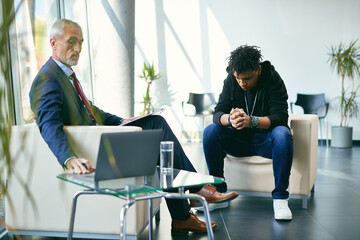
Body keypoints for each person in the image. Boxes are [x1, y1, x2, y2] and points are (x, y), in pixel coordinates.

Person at [29, 19, 238, 235]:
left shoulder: (65, 76)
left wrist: (125, 122)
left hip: (104, 140)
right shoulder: (47, 79)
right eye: (72, 41)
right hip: (98, 152)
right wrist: (68, 158)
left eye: (81, 42)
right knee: (157, 126)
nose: (79, 48)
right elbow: (47, 123)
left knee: (155, 131)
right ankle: (194, 192)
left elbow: (93, 112)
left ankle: (182, 217)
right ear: (53, 43)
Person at [203, 45, 293, 220]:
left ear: (258, 70)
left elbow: (281, 117)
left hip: (266, 141)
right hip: (239, 142)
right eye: (238, 79)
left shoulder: (273, 79)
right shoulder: (231, 80)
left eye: (247, 78)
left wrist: (251, 121)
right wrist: (231, 119)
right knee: (211, 131)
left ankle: (281, 198)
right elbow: (218, 113)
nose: (242, 83)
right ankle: (218, 192)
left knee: (282, 133)